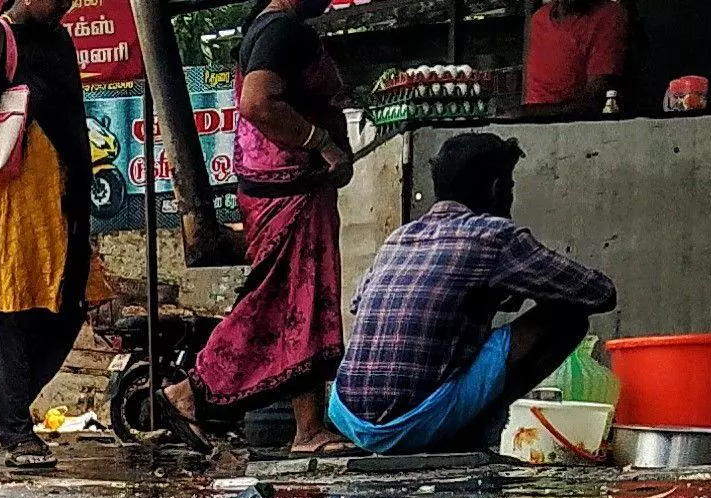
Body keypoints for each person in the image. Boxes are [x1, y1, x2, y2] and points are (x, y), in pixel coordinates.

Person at [328, 133, 618, 455]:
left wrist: (493, 293)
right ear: (497, 189)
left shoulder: (400, 238)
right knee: (568, 317)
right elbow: (599, 293)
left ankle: (448, 425)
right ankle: (472, 433)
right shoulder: (494, 235)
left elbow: (361, 304)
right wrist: (532, 290)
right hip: (407, 422)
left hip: (348, 415)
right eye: (508, 189)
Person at [0, 0, 111, 472]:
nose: (65, 8)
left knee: (68, 309)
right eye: (57, 0)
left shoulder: (59, 40)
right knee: (9, 313)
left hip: (62, 207)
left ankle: (7, 411)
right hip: (8, 210)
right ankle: (14, 430)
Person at [174, 0, 356, 454]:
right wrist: (325, 144)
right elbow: (257, 102)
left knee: (297, 302)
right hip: (290, 187)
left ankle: (308, 427)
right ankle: (191, 393)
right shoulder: (281, 31)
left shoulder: (266, 29)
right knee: (281, 300)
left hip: (283, 186)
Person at [523, 0, 631, 116]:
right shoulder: (538, 19)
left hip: (577, 127)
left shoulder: (609, 16)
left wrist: (529, 113)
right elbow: (528, 90)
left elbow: (595, 100)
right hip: (531, 125)